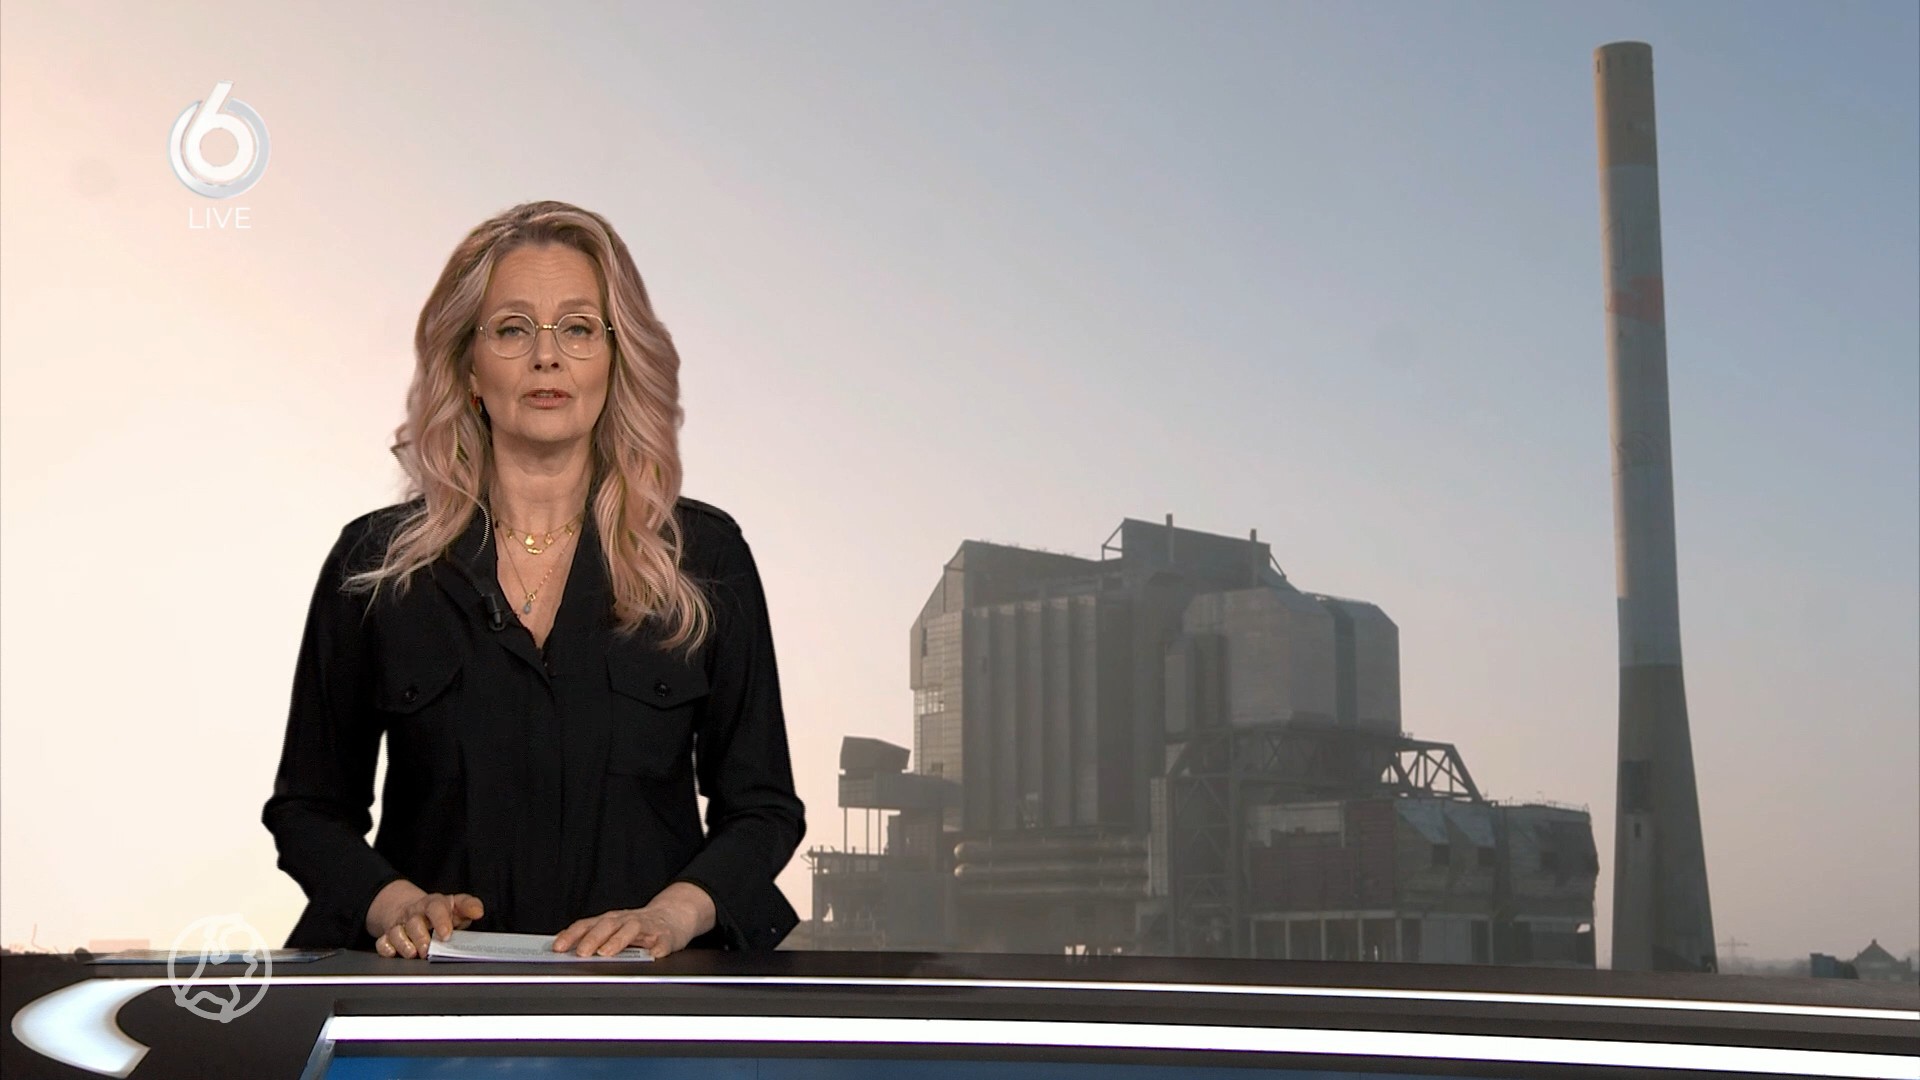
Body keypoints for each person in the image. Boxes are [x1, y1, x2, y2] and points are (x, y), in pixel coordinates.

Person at [262, 200, 805, 960]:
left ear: (615, 359)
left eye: (578, 329)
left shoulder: (704, 558)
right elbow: (309, 811)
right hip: (430, 1005)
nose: (547, 357)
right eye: (513, 329)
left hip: (647, 1006)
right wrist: (397, 906)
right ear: (468, 366)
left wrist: (672, 917)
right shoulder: (374, 566)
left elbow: (763, 810)